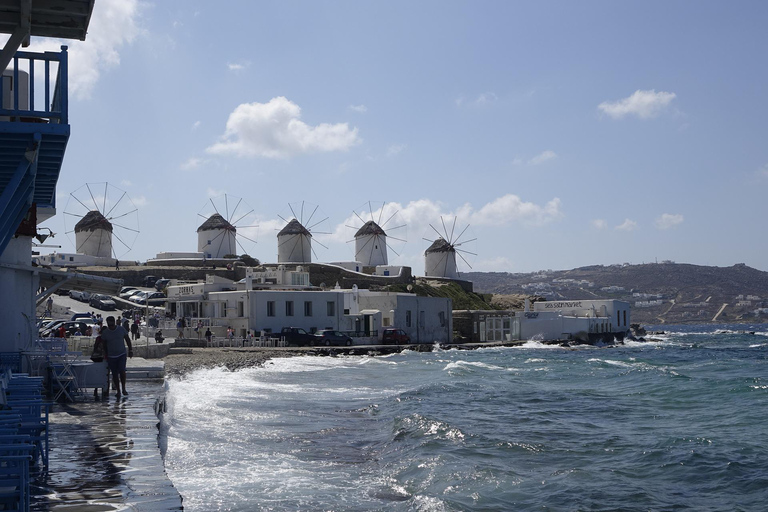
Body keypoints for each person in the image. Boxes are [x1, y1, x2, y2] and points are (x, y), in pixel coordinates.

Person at [101, 315, 133, 398]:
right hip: (111, 356)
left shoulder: (121, 329)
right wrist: (105, 354)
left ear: (114, 323)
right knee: (114, 374)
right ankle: (118, 391)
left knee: (122, 371)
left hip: (121, 354)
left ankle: (124, 388)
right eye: (109, 325)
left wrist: (130, 350)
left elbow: (127, 339)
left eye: (112, 325)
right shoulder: (105, 333)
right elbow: (103, 344)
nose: (111, 327)